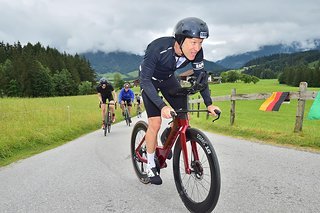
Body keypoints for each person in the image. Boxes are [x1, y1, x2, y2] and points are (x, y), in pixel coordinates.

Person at [139, 17, 221, 185]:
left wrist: (209, 103)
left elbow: (201, 78)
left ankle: (167, 135)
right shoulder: (158, 48)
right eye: (193, 42)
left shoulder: (197, 53)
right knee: (155, 122)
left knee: (181, 114)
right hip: (150, 81)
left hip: (168, 79)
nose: (197, 48)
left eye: (201, 43)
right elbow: (145, 80)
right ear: (180, 39)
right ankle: (150, 164)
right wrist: (162, 106)